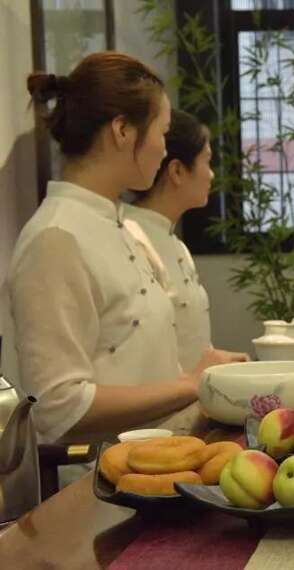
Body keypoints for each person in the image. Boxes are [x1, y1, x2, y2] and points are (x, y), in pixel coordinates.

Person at [0, 52, 235, 445]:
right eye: (161, 133)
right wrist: (190, 385)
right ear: (123, 131)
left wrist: (201, 378)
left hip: (161, 461)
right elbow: (58, 406)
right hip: (103, 487)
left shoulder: (120, 225)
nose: (163, 150)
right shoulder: (56, 237)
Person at [124, 109, 248, 371]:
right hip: (165, 404)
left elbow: (189, 340)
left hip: (193, 399)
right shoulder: (130, 236)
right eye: (207, 161)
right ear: (177, 171)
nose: (212, 174)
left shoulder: (174, 241)